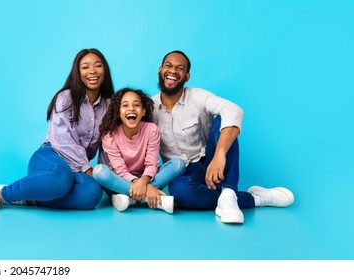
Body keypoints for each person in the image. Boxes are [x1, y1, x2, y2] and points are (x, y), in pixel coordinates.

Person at [152, 50, 294, 224]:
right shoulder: (149, 107)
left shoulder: (198, 96)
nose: (173, 70)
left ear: (187, 76)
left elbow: (234, 111)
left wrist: (219, 155)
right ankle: (254, 199)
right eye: (168, 65)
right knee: (178, 192)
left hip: (211, 162)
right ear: (160, 70)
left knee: (223, 120)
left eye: (180, 68)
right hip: (182, 174)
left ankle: (228, 192)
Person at [0, 48, 114, 215]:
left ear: (105, 70)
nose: (92, 71)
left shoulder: (110, 106)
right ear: (77, 72)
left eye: (98, 66)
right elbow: (62, 141)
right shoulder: (65, 98)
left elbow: (109, 144)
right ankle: (0, 195)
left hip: (77, 170)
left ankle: (29, 197)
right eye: (85, 67)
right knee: (61, 178)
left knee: (92, 194)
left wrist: (107, 175)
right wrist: (88, 169)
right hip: (50, 158)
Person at [92, 88, 185, 213]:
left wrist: (144, 181)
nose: (131, 108)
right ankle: (150, 197)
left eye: (136, 105)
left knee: (179, 164)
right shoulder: (109, 136)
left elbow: (152, 163)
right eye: (125, 105)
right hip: (119, 181)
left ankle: (129, 199)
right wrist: (144, 187)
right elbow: (120, 169)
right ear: (119, 113)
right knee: (99, 172)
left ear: (143, 112)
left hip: (146, 176)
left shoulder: (151, 129)